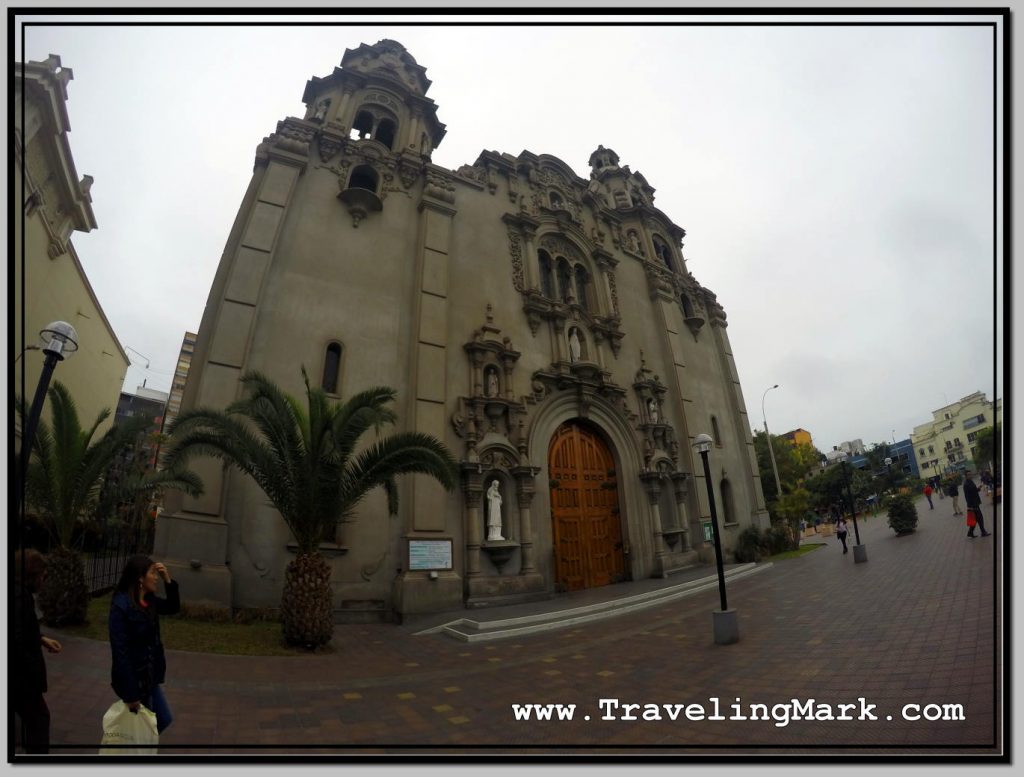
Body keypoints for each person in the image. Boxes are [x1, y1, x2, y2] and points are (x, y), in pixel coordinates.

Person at [109, 555, 180, 735]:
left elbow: (173, 607)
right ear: (140, 577)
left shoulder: (149, 602)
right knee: (145, 730)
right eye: (153, 573)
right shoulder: (121, 606)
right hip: (135, 681)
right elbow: (120, 653)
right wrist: (131, 693)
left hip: (150, 677)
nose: (156, 577)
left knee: (162, 719)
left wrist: (168, 580)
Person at [14, 549, 62, 753]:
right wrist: (33, 670)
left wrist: (41, 639)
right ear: (31, 575)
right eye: (42, 576)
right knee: (39, 722)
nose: (44, 581)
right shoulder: (19, 597)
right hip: (20, 678)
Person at [963, 471, 991, 538]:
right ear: (966, 476)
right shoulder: (966, 484)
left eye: (970, 474)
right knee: (979, 518)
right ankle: (983, 532)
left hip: (975, 503)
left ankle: (970, 533)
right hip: (973, 504)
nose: (970, 475)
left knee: (975, 519)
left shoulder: (970, 481)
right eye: (969, 474)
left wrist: (979, 488)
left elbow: (974, 491)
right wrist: (970, 506)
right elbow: (967, 496)